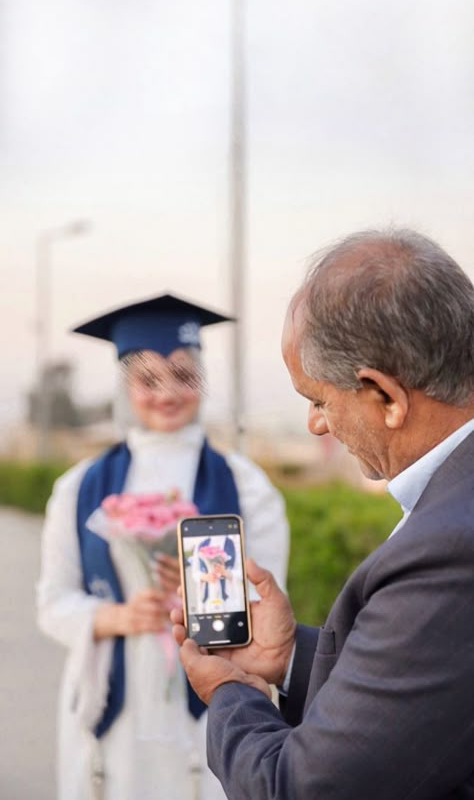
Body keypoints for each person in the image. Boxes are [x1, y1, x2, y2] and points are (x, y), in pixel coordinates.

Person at [172, 229, 474, 800]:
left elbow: (304, 788)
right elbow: (428, 694)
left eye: (318, 400)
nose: (314, 424)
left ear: (384, 395)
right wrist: (287, 658)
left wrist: (231, 692)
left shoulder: (450, 546)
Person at [37, 292, 289, 800]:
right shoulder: (78, 486)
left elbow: (270, 601)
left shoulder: (247, 486)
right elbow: (52, 602)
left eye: (183, 374)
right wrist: (118, 617)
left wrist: (204, 595)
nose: (167, 392)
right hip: (114, 694)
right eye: (147, 377)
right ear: (123, 384)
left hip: (210, 691)